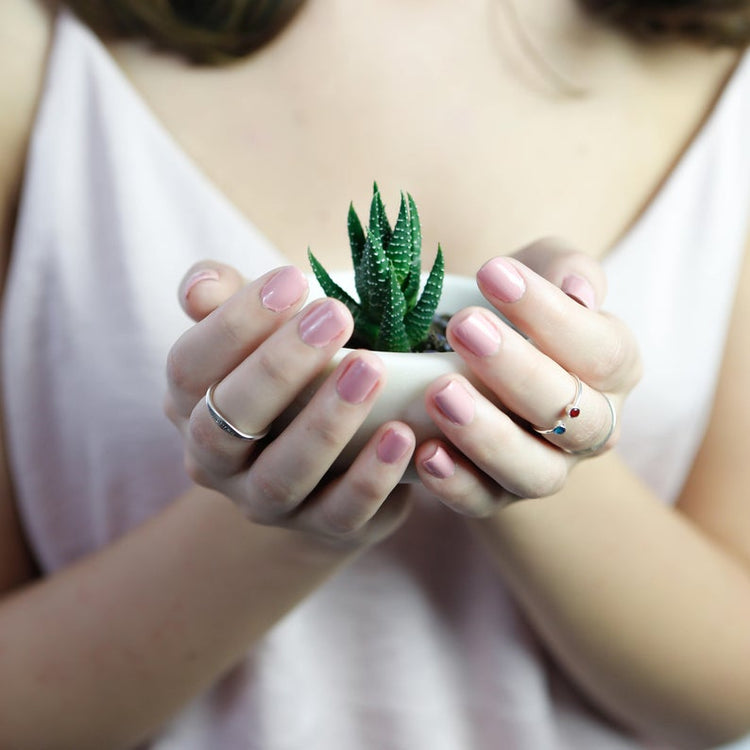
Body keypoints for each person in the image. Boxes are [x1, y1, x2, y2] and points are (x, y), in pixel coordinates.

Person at [1, 1, 749, 748]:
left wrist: (523, 442)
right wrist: (293, 522)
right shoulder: (28, 39)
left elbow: (731, 687)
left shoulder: (724, 52)